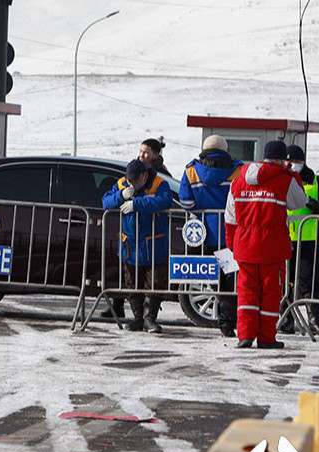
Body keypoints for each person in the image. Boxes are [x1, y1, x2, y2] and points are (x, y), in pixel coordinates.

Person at [225, 140, 309, 349]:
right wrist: (293, 175)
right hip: (273, 248)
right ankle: (266, 338)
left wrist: (233, 244)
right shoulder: (284, 179)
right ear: (282, 160)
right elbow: (300, 202)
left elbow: (230, 218)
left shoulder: (238, 181)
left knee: (246, 292)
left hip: (245, 247)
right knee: (271, 294)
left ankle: (245, 336)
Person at [178, 134, 243, 337]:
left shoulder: (191, 171)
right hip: (231, 236)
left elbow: (186, 203)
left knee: (205, 280)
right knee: (229, 281)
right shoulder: (238, 170)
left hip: (203, 235)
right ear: (225, 149)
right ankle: (226, 325)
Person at [102, 159, 173, 333]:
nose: (131, 183)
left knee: (155, 283)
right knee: (132, 283)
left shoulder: (159, 184)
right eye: (129, 180)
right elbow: (106, 202)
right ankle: (137, 319)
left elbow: (165, 201)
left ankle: (150, 319)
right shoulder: (121, 184)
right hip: (130, 245)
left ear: (144, 175)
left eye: (135, 180)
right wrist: (121, 196)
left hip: (154, 244)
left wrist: (137, 204)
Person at [282, 144, 319, 336]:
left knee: (310, 281)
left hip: (307, 240)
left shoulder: (314, 180)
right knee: (285, 281)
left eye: (298, 162)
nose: (295, 165)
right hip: (284, 237)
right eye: (291, 161)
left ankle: (314, 321)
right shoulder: (280, 177)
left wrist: (315, 205)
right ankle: (286, 320)